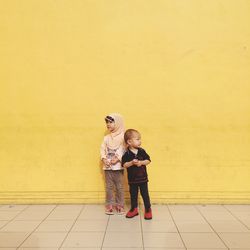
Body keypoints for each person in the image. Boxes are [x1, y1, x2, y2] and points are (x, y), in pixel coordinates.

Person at [122, 129, 152, 220]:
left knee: (145, 194)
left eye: (140, 139)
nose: (140, 141)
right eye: (137, 139)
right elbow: (124, 165)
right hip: (132, 180)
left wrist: (141, 162)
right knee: (133, 195)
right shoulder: (126, 154)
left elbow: (148, 160)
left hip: (143, 179)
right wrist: (131, 162)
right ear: (129, 142)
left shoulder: (142, 151)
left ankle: (148, 209)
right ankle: (134, 209)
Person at [100, 113, 125, 215]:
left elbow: (123, 148)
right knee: (109, 186)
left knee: (119, 186)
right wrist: (104, 158)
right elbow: (102, 149)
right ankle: (109, 205)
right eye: (107, 122)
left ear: (118, 123)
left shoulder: (123, 136)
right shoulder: (106, 138)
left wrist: (117, 158)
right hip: (107, 166)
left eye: (111, 122)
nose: (108, 124)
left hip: (118, 166)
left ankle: (120, 205)